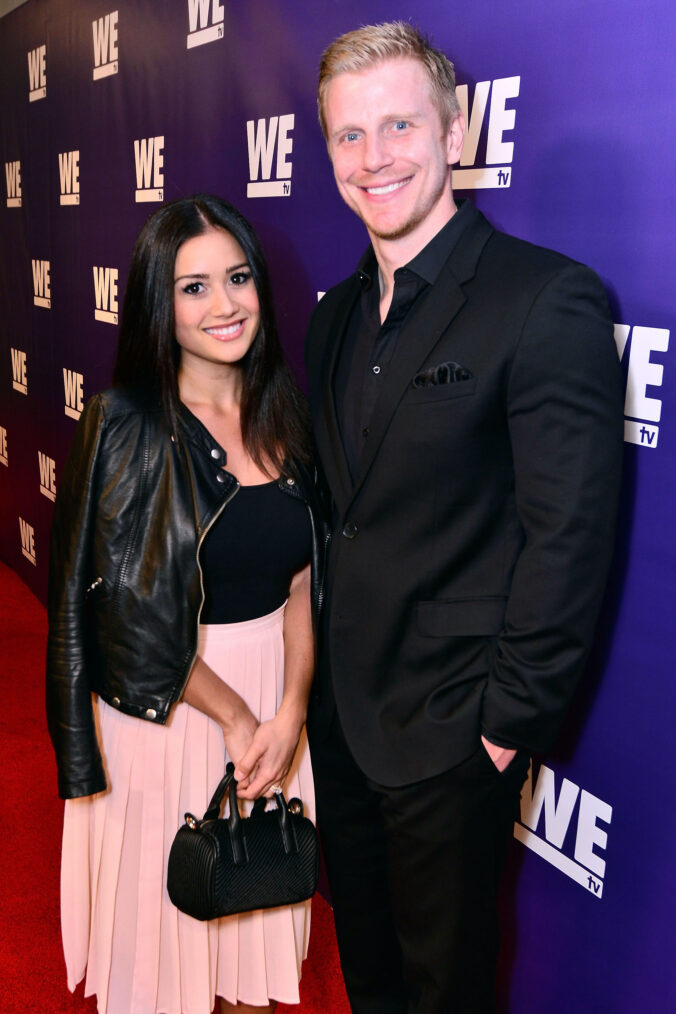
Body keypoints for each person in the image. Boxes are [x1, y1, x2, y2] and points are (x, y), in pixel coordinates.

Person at [304, 21, 624, 1014]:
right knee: (371, 980)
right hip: (343, 730)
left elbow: (569, 534)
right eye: (348, 137)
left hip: (451, 736)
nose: (373, 158)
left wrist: (500, 730)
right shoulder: (329, 318)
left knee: (447, 992)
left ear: (454, 132)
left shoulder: (545, 300)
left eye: (398, 125)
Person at [46, 193, 325, 1014]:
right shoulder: (122, 423)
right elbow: (124, 612)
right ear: (156, 304)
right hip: (171, 710)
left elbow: (305, 582)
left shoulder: (286, 415)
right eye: (193, 286)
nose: (225, 304)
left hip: (273, 703)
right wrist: (238, 720)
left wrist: (291, 712)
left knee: (249, 924)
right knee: (159, 960)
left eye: (237, 278)